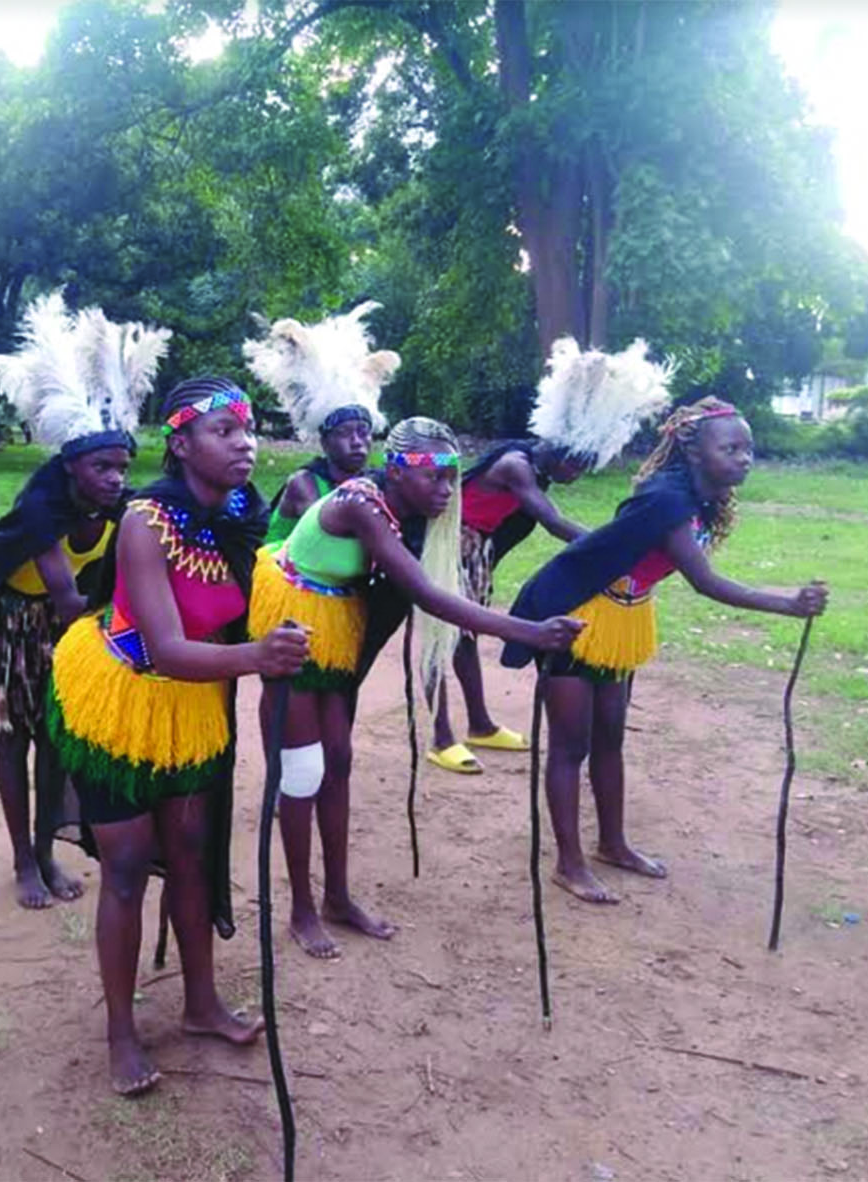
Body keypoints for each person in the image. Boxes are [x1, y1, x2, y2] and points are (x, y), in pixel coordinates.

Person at [45, 376, 309, 1096]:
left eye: (249, 429)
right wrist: (258, 659)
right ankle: (121, 1032)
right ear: (182, 443)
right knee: (127, 865)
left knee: (192, 854)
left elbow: (238, 610)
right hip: (120, 704)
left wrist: (277, 633)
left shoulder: (240, 516)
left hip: (192, 708)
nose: (244, 442)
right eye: (223, 430)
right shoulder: (145, 521)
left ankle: (199, 1005)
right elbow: (164, 647)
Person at [249, 415, 585, 959]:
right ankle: (301, 909)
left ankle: (336, 896)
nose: (447, 491)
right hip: (295, 623)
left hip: (337, 625)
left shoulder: (406, 508)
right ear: (399, 470)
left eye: (452, 478)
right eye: (435, 478)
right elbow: (427, 594)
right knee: (302, 771)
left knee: (338, 761)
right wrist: (529, 632)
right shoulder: (362, 501)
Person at [503, 397, 830, 904]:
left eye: (748, 448)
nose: (744, 457)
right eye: (731, 447)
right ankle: (569, 864)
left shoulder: (697, 496)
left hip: (625, 614)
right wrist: (787, 603)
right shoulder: (669, 500)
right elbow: (705, 583)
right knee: (571, 746)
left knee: (609, 738)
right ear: (694, 451)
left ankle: (612, 844)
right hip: (575, 613)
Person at [0, 292, 169, 909]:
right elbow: (64, 595)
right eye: (101, 469)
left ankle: (45, 850)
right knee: (18, 737)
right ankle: (23, 864)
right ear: (70, 469)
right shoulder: (42, 510)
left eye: (121, 467)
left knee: (57, 743)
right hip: (12, 622)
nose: (115, 479)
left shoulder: (120, 506)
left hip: (68, 625)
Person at [428, 338, 674, 774]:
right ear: (561, 445)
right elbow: (553, 522)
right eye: (578, 462)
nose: (579, 473)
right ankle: (441, 736)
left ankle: (480, 724)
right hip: (445, 548)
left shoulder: (536, 468)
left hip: (474, 555)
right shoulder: (517, 467)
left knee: (465, 639)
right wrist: (618, 548)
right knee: (439, 641)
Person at [245, 302, 396, 545]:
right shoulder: (304, 485)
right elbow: (338, 533)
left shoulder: (373, 483)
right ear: (325, 442)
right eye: (345, 433)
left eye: (363, 432)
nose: (357, 442)